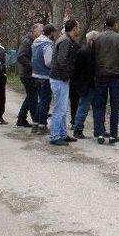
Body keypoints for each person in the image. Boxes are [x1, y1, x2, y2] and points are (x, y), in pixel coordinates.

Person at [93, 16, 119, 144]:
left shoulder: (97, 38)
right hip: (116, 76)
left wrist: (94, 73)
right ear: (115, 24)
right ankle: (113, 135)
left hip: (100, 75)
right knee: (114, 106)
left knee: (100, 106)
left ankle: (100, 133)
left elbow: (94, 58)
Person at [48, 18, 80, 146]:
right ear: (74, 28)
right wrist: (68, 74)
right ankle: (55, 136)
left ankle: (62, 134)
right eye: (78, 27)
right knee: (59, 109)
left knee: (62, 109)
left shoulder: (65, 39)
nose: (79, 29)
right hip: (59, 78)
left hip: (60, 78)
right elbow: (62, 61)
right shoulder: (65, 41)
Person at [72, 30, 100, 139]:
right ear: (92, 41)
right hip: (87, 84)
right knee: (84, 108)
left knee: (94, 108)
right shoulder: (84, 52)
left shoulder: (88, 51)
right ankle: (78, 129)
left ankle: (97, 130)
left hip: (92, 84)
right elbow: (77, 70)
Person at [31, 24, 57, 135]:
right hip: (45, 76)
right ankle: (42, 126)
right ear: (51, 32)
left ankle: (35, 124)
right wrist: (56, 67)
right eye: (54, 32)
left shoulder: (36, 42)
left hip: (36, 75)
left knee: (40, 101)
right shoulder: (47, 44)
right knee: (45, 102)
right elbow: (48, 62)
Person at [16, 23, 43, 127]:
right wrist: (34, 66)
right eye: (40, 32)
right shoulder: (27, 41)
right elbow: (21, 57)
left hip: (32, 74)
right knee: (33, 98)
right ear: (34, 31)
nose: (42, 34)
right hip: (27, 74)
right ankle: (35, 120)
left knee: (30, 96)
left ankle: (21, 119)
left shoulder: (34, 41)